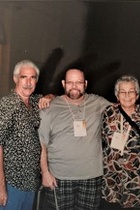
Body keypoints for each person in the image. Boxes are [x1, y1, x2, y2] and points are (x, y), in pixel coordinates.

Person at [38, 68, 111, 210]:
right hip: (59, 177)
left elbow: (123, 109)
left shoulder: (98, 102)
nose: (74, 86)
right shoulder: (49, 107)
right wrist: (45, 173)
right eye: (70, 82)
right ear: (64, 84)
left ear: (85, 84)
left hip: (91, 176)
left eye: (78, 82)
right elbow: (42, 144)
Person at [0, 60, 53, 210]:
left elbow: (53, 96)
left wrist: (48, 97)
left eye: (33, 77)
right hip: (12, 184)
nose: (28, 82)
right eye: (24, 77)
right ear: (15, 78)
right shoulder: (8, 104)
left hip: (30, 183)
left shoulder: (34, 101)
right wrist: (1, 187)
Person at [100, 75, 140, 209]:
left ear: (137, 95)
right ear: (117, 95)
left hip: (138, 179)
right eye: (122, 92)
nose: (127, 95)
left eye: (131, 91)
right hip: (112, 179)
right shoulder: (107, 113)